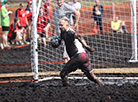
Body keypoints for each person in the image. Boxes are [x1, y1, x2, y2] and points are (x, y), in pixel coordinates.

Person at [57, 18, 103, 86]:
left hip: (78, 56)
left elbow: (79, 36)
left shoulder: (70, 32)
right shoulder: (63, 33)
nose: (60, 27)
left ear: (67, 25)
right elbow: (60, 39)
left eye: (61, 25)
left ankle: (66, 89)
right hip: (84, 56)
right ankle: (101, 84)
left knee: (63, 74)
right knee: (91, 76)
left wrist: (86, 46)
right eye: (59, 25)